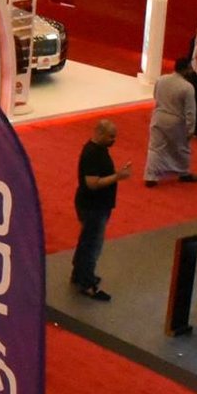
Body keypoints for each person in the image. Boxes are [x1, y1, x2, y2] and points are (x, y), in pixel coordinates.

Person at [71, 118, 129, 301]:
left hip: (93, 205)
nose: (114, 140)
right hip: (94, 207)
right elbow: (92, 183)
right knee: (92, 245)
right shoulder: (93, 154)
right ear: (100, 133)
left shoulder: (97, 150)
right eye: (111, 136)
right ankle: (87, 283)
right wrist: (118, 176)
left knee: (86, 241)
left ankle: (78, 274)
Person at [143, 58, 197, 186]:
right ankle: (184, 173)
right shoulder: (188, 87)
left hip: (158, 117)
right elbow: (190, 112)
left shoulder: (161, 80)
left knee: (155, 148)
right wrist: (190, 129)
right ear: (186, 69)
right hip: (176, 121)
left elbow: (155, 96)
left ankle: (150, 177)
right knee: (181, 148)